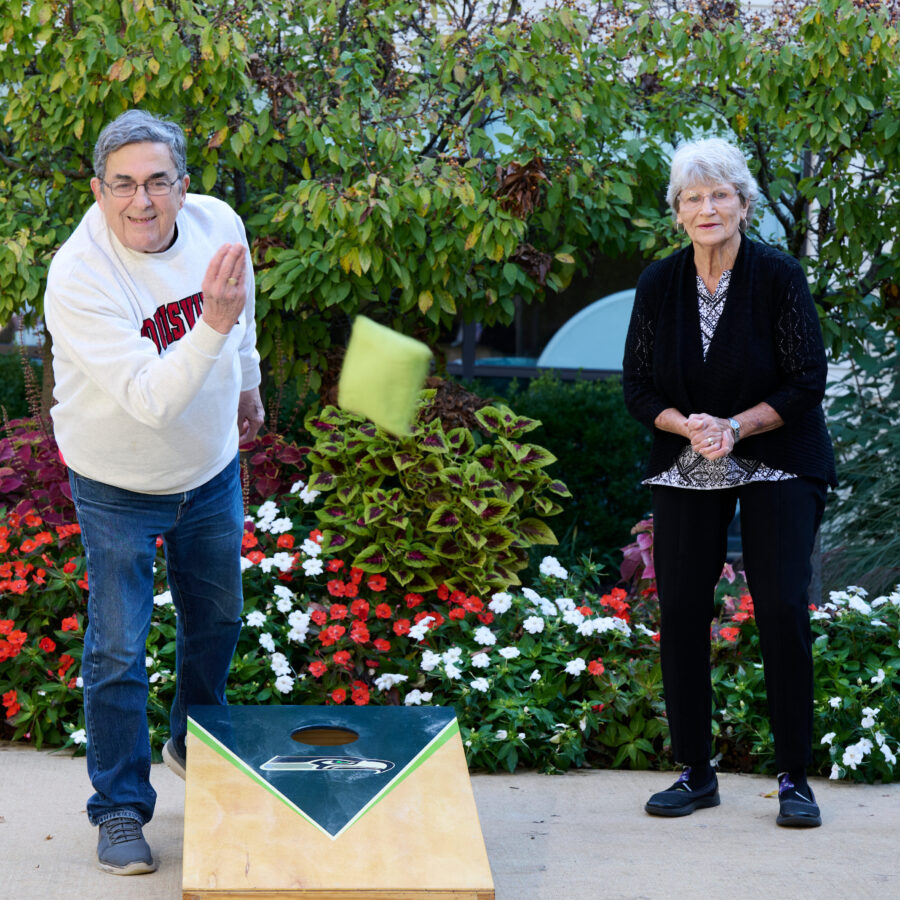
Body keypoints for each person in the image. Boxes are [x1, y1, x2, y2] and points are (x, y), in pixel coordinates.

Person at [44, 109, 264, 874]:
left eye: (159, 181)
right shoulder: (79, 275)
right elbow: (150, 399)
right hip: (117, 483)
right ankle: (118, 809)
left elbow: (244, 310)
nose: (144, 201)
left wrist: (250, 384)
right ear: (99, 190)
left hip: (209, 470)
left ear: (184, 185)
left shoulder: (216, 223)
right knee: (116, 649)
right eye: (125, 185)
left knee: (219, 616)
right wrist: (210, 324)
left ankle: (191, 738)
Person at [622, 138, 836, 829]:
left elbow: (806, 378)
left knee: (778, 606)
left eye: (720, 195)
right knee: (682, 606)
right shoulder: (659, 283)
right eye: (693, 197)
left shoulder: (777, 274)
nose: (707, 208)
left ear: (743, 205)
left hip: (776, 448)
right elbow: (638, 387)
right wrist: (690, 429)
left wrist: (736, 428)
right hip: (690, 447)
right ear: (678, 213)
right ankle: (695, 771)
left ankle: (794, 779)